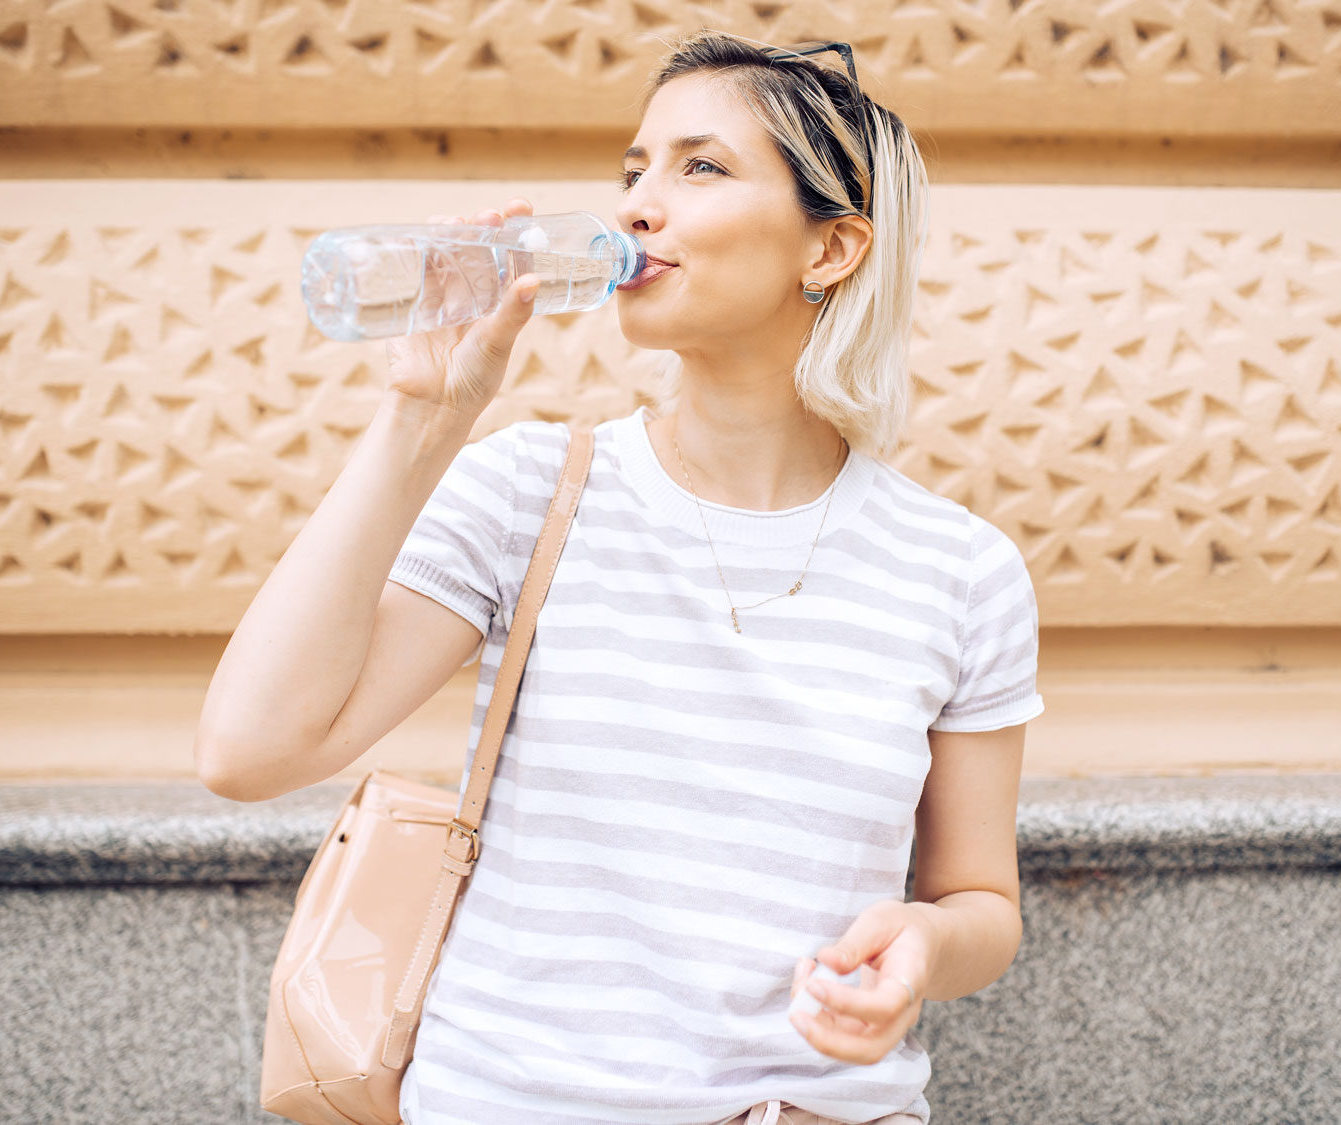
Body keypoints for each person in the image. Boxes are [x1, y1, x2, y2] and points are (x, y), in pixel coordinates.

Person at [196, 28, 1043, 1125]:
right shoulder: (530, 488)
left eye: (700, 167)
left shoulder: (961, 570)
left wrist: (923, 945)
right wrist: (424, 418)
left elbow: (981, 903)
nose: (639, 204)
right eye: (633, 170)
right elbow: (247, 752)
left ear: (830, 252)